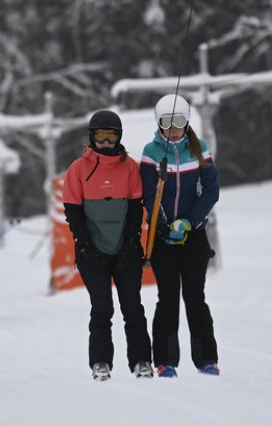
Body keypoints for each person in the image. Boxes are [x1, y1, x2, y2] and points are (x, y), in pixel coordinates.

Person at [63, 110, 153, 381]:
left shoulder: (130, 168)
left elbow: (135, 209)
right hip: (92, 252)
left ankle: (141, 361)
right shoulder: (78, 169)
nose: (105, 141)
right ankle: (100, 362)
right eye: (101, 136)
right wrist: (85, 246)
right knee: (102, 308)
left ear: (119, 137)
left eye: (111, 136)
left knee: (133, 307)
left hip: (125, 250)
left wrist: (131, 242)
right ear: (92, 137)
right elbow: (73, 213)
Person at [140, 94, 221, 378]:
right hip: (163, 237)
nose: (172, 128)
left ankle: (206, 359)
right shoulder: (151, 152)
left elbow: (211, 191)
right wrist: (164, 226)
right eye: (166, 122)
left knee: (195, 296)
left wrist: (188, 222)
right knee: (168, 298)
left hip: (193, 234)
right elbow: (149, 195)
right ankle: (165, 361)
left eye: (177, 122)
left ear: (186, 122)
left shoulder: (199, 149)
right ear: (158, 123)